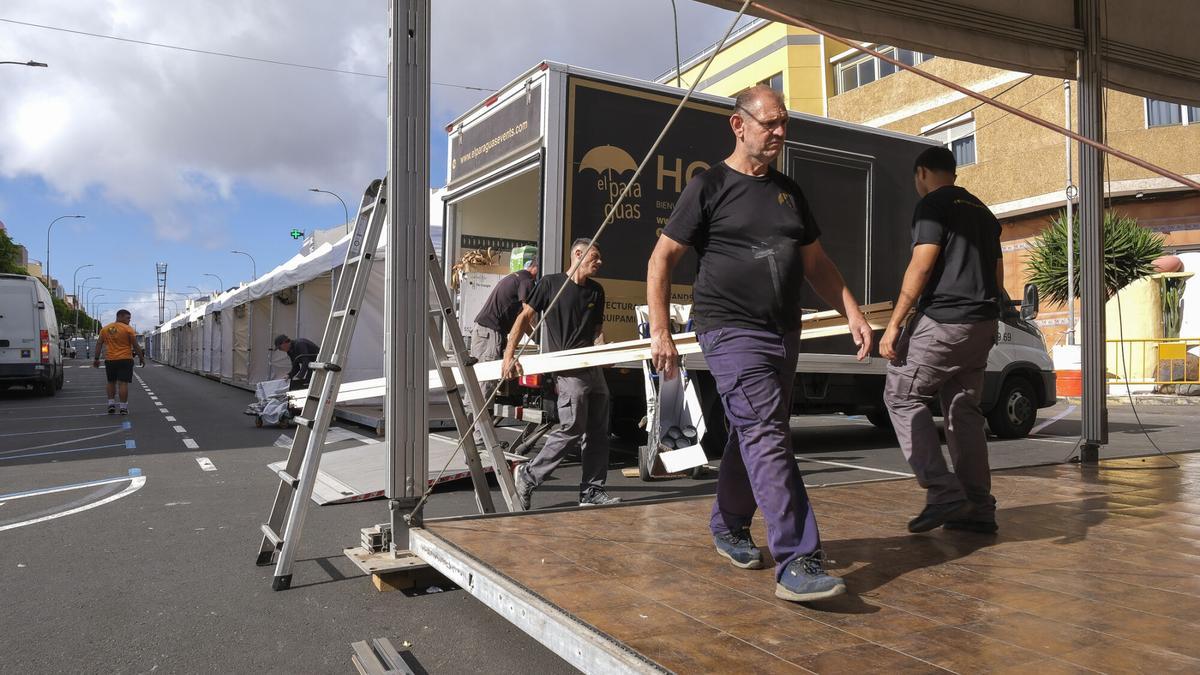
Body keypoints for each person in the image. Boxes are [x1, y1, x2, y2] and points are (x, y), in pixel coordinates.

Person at [647, 85, 873, 603]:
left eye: (784, 122)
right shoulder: (708, 186)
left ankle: (728, 524)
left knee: (753, 432)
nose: (779, 132)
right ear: (739, 124)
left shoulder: (789, 192)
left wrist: (852, 311)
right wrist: (661, 330)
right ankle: (797, 559)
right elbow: (662, 259)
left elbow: (816, 263)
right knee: (767, 432)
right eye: (770, 123)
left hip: (783, 332)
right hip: (729, 329)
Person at [880, 145, 1003, 535]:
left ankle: (942, 492)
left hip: (946, 321)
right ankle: (977, 507)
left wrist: (895, 324)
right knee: (963, 412)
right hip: (982, 323)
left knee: (901, 395)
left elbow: (922, 264)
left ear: (922, 172)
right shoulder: (983, 212)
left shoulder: (933, 205)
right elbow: (997, 275)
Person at [502, 238, 619, 509]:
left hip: (593, 368)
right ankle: (529, 476)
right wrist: (509, 355)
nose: (600, 262)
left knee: (599, 431)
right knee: (573, 428)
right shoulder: (550, 284)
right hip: (568, 370)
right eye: (595, 257)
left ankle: (592, 491)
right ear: (577, 254)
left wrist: (605, 353)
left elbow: (596, 332)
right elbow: (524, 317)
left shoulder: (597, 291)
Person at [468, 254, 538, 446]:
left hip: (483, 332)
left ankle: (470, 433)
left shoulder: (515, 278)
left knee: (478, 383)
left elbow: (523, 321)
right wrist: (542, 337)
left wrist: (537, 338)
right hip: (490, 333)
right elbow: (528, 314)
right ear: (536, 269)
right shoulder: (526, 280)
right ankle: (480, 438)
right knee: (485, 385)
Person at [94, 309, 144, 415]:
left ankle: (111, 404)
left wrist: (96, 358)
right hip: (125, 359)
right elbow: (135, 345)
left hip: (110, 360)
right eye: (127, 318)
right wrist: (141, 357)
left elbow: (99, 343)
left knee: (111, 382)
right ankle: (123, 408)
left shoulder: (105, 329)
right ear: (119, 316)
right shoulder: (128, 329)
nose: (129, 320)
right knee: (123, 383)